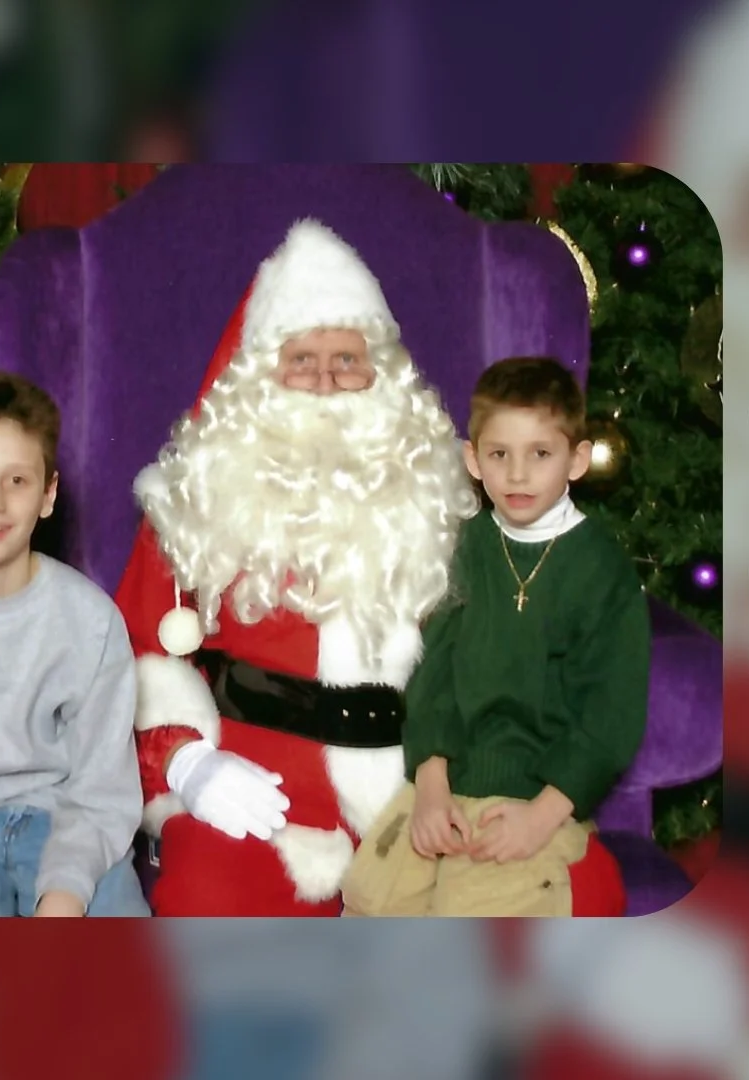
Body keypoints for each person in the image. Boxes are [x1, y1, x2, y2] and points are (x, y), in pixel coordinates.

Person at [114, 217, 478, 916]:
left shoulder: (435, 500)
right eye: (301, 360)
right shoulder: (195, 500)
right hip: (258, 786)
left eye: (347, 360)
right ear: (259, 377)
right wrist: (188, 765)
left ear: (383, 377)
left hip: (418, 789)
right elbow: (134, 654)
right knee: (207, 909)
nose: (324, 383)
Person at [340, 357, 645, 918]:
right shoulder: (467, 547)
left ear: (577, 460)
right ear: (473, 460)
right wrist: (431, 785)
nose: (518, 474)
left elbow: (611, 713)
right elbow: (433, 674)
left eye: (541, 454)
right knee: (372, 896)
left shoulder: (600, 570)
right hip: (447, 781)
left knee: (473, 917)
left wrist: (543, 816)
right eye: (500, 455)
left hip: (536, 796)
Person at [0, 370, 147, 917]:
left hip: (68, 821)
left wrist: (64, 896)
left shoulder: (90, 621)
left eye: (16, 481)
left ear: (48, 495)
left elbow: (101, 791)